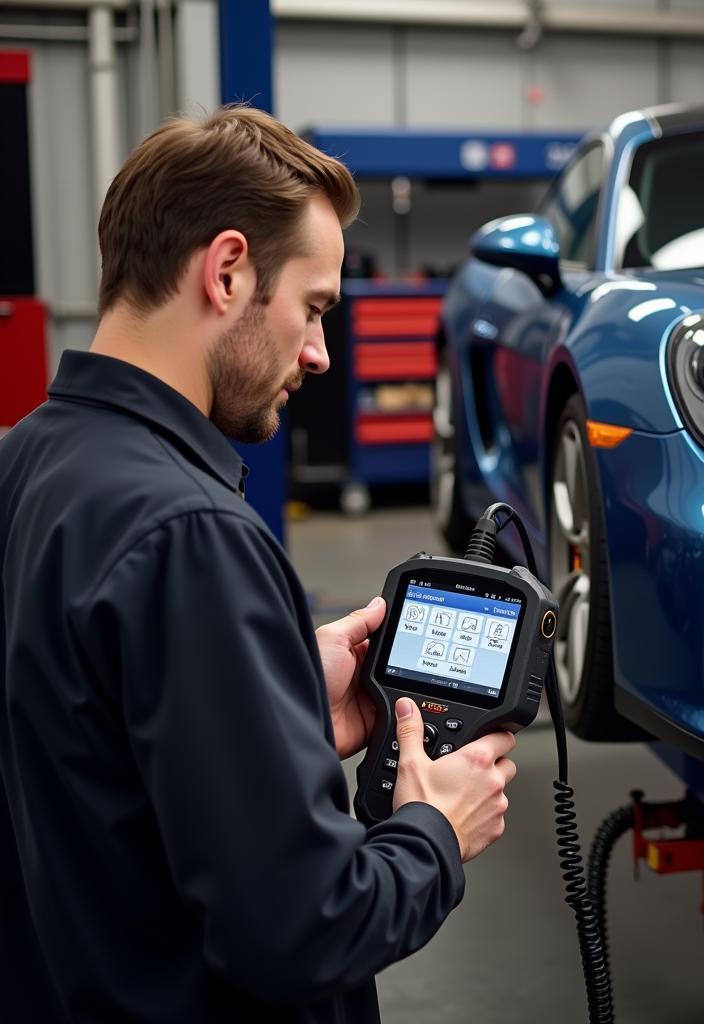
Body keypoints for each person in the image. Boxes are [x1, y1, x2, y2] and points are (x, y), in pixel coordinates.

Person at [0, 106, 517, 1023]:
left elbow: (89, 768)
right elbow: (299, 930)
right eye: (313, 308)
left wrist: (269, 689)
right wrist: (437, 831)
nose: (319, 353)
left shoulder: (22, 466)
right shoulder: (193, 535)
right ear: (229, 269)